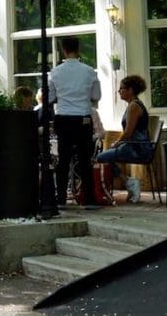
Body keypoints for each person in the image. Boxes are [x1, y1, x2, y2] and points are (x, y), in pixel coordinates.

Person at [49, 36, 101, 209]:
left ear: (63, 50)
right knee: (85, 159)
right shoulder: (89, 71)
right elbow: (96, 96)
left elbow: (49, 97)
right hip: (83, 119)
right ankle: (90, 200)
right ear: (78, 49)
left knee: (63, 160)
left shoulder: (56, 72)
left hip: (63, 118)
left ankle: (61, 199)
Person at [96, 75, 155, 203]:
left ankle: (129, 182)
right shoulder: (133, 105)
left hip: (137, 149)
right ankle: (129, 182)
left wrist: (116, 143)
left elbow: (128, 132)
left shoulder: (134, 106)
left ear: (130, 90)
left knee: (101, 158)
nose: (119, 91)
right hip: (135, 146)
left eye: (122, 88)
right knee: (105, 157)